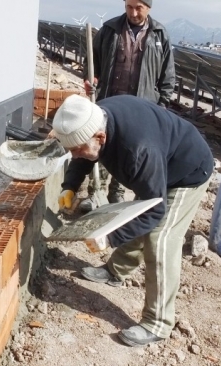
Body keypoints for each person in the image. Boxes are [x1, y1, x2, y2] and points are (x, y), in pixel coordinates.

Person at [54, 94, 213, 347]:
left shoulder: (138, 150)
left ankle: (157, 323)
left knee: (159, 238)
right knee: (138, 217)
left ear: (100, 137)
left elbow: (154, 210)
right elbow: (82, 154)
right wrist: (70, 185)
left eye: (77, 149)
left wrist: (110, 237)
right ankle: (115, 272)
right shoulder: (91, 119)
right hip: (158, 165)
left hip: (186, 172)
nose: (74, 155)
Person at [79, 0, 176, 212]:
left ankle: (118, 192)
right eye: (129, 7)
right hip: (109, 102)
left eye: (138, 8)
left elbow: (167, 75)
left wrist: (162, 104)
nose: (133, 13)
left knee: (130, 150)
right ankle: (96, 192)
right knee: (102, 146)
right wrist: (90, 78)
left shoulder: (159, 35)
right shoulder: (110, 30)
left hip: (142, 108)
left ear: (148, 7)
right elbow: (92, 60)